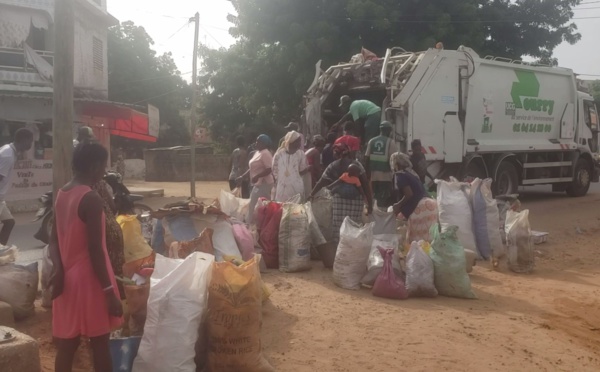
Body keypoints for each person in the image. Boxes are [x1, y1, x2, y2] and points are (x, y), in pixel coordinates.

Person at [49, 141, 123, 372]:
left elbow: (53, 239)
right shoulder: (91, 198)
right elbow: (96, 250)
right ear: (93, 166)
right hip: (92, 279)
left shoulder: (62, 193)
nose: (104, 172)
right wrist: (109, 291)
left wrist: (58, 269)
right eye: (103, 166)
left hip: (68, 278)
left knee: (67, 344)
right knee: (100, 343)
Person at [310, 143, 373, 245]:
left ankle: (339, 249)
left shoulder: (332, 165)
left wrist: (311, 194)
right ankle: (352, 248)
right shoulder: (357, 165)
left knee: (339, 226)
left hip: (339, 200)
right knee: (354, 225)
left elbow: (322, 182)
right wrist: (369, 203)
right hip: (356, 200)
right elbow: (365, 185)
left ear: (336, 154)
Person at [390, 152, 438, 244]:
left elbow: (409, 194)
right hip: (430, 205)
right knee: (429, 240)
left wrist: (398, 205)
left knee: (416, 242)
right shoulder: (410, 173)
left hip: (420, 208)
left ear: (395, 164)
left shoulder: (399, 175)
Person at [0, 129, 34, 245]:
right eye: (30, 141)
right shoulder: (8, 155)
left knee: (9, 222)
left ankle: (1, 250)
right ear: (23, 140)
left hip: (1, 198)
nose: (31, 145)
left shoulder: (9, 151)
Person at [237, 135, 274, 224]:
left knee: (252, 203)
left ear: (264, 143)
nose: (256, 143)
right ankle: (260, 221)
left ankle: (248, 224)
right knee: (267, 203)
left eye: (258, 141)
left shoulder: (265, 153)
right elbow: (252, 168)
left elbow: (269, 169)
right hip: (258, 184)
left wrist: (258, 176)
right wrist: (243, 176)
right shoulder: (257, 153)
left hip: (265, 183)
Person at [365, 121, 398, 208]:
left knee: (374, 196)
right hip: (385, 175)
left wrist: (367, 173)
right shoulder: (390, 142)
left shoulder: (371, 141)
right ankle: (381, 215)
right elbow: (394, 159)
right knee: (384, 197)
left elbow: (366, 158)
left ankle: (375, 213)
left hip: (373, 175)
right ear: (389, 131)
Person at [272, 131, 310, 203]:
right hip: (289, 188)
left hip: (286, 188)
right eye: (298, 141)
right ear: (291, 141)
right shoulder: (300, 154)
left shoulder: (279, 154)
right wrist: (308, 168)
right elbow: (302, 171)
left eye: (300, 141)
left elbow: (274, 172)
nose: (299, 144)